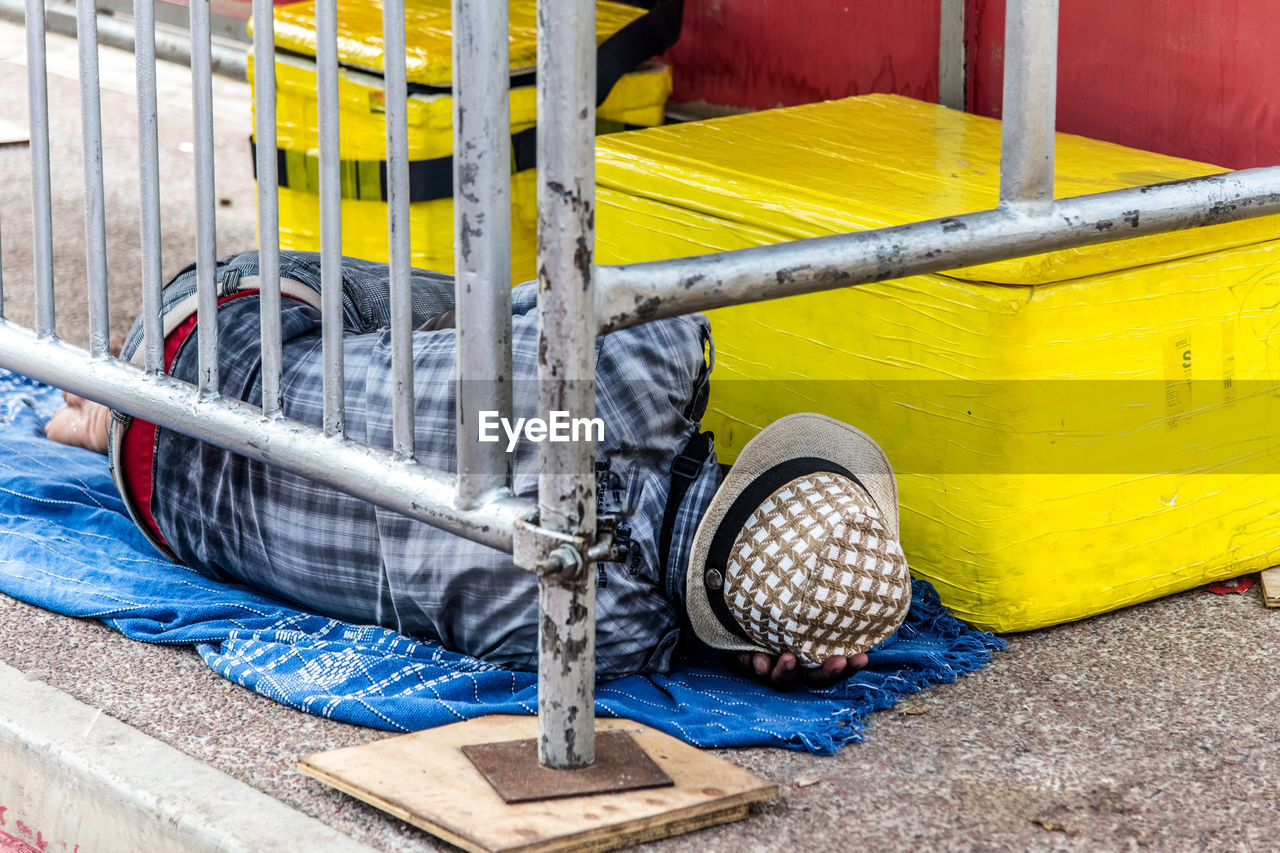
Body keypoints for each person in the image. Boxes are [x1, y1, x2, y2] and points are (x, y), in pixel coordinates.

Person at [47, 251, 912, 689]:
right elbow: (647, 583)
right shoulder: (610, 645)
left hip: (201, 338)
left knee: (488, 315)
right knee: (486, 386)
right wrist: (753, 624)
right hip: (161, 504)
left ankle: (107, 389)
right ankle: (102, 423)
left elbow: (548, 311)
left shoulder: (651, 351)